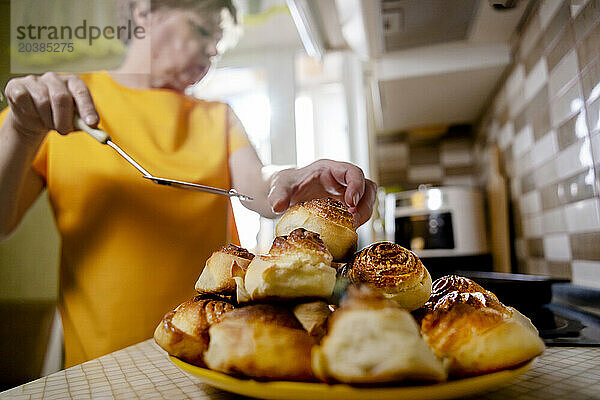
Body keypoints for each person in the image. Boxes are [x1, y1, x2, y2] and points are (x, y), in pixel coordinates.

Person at [0, 0, 376, 367]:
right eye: (201, 29)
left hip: (209, 360)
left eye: (218, 41)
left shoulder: (218, 117)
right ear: (143, 10)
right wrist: (20, 130)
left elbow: (260, 189)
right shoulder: (60, 105)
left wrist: (290, 181)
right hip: (102, 371)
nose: (213, 49)